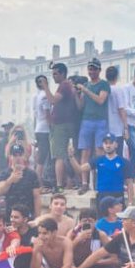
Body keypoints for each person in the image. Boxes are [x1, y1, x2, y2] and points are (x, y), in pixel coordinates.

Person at [70, 134, 131, 207]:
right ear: (103, 145)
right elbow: (79, 169)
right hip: (102, 195)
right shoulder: (98, 160)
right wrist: (71, 157)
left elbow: (129, 183)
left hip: (117, 195)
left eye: (111, 143)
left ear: (116, 145)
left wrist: (130, 202)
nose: (108, 146)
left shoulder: (124, 162)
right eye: (106, 143)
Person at [75, 58, 111, 179]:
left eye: (94, 69)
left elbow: (101, 100)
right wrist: (77, 94)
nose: (92, 71)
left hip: (101, 121)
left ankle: (100, 180)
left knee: (100, 151)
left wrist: (86, 90)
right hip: (86, 121)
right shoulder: (86, 85)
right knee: (85, 152)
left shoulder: (104, 84)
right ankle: (84, 182)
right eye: (90, 69)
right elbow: (80, 106)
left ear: (99, 70)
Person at [49, 62, 81, 192]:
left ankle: (59, 185)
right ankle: (75, 182)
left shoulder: (64, 86)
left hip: (61, 125)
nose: (53, 77)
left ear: (62, 73)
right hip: (69, 123)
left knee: (59, 156)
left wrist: (45, 87)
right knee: (71, 155)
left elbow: (53, 100)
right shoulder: (69, 86)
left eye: (55, 74)